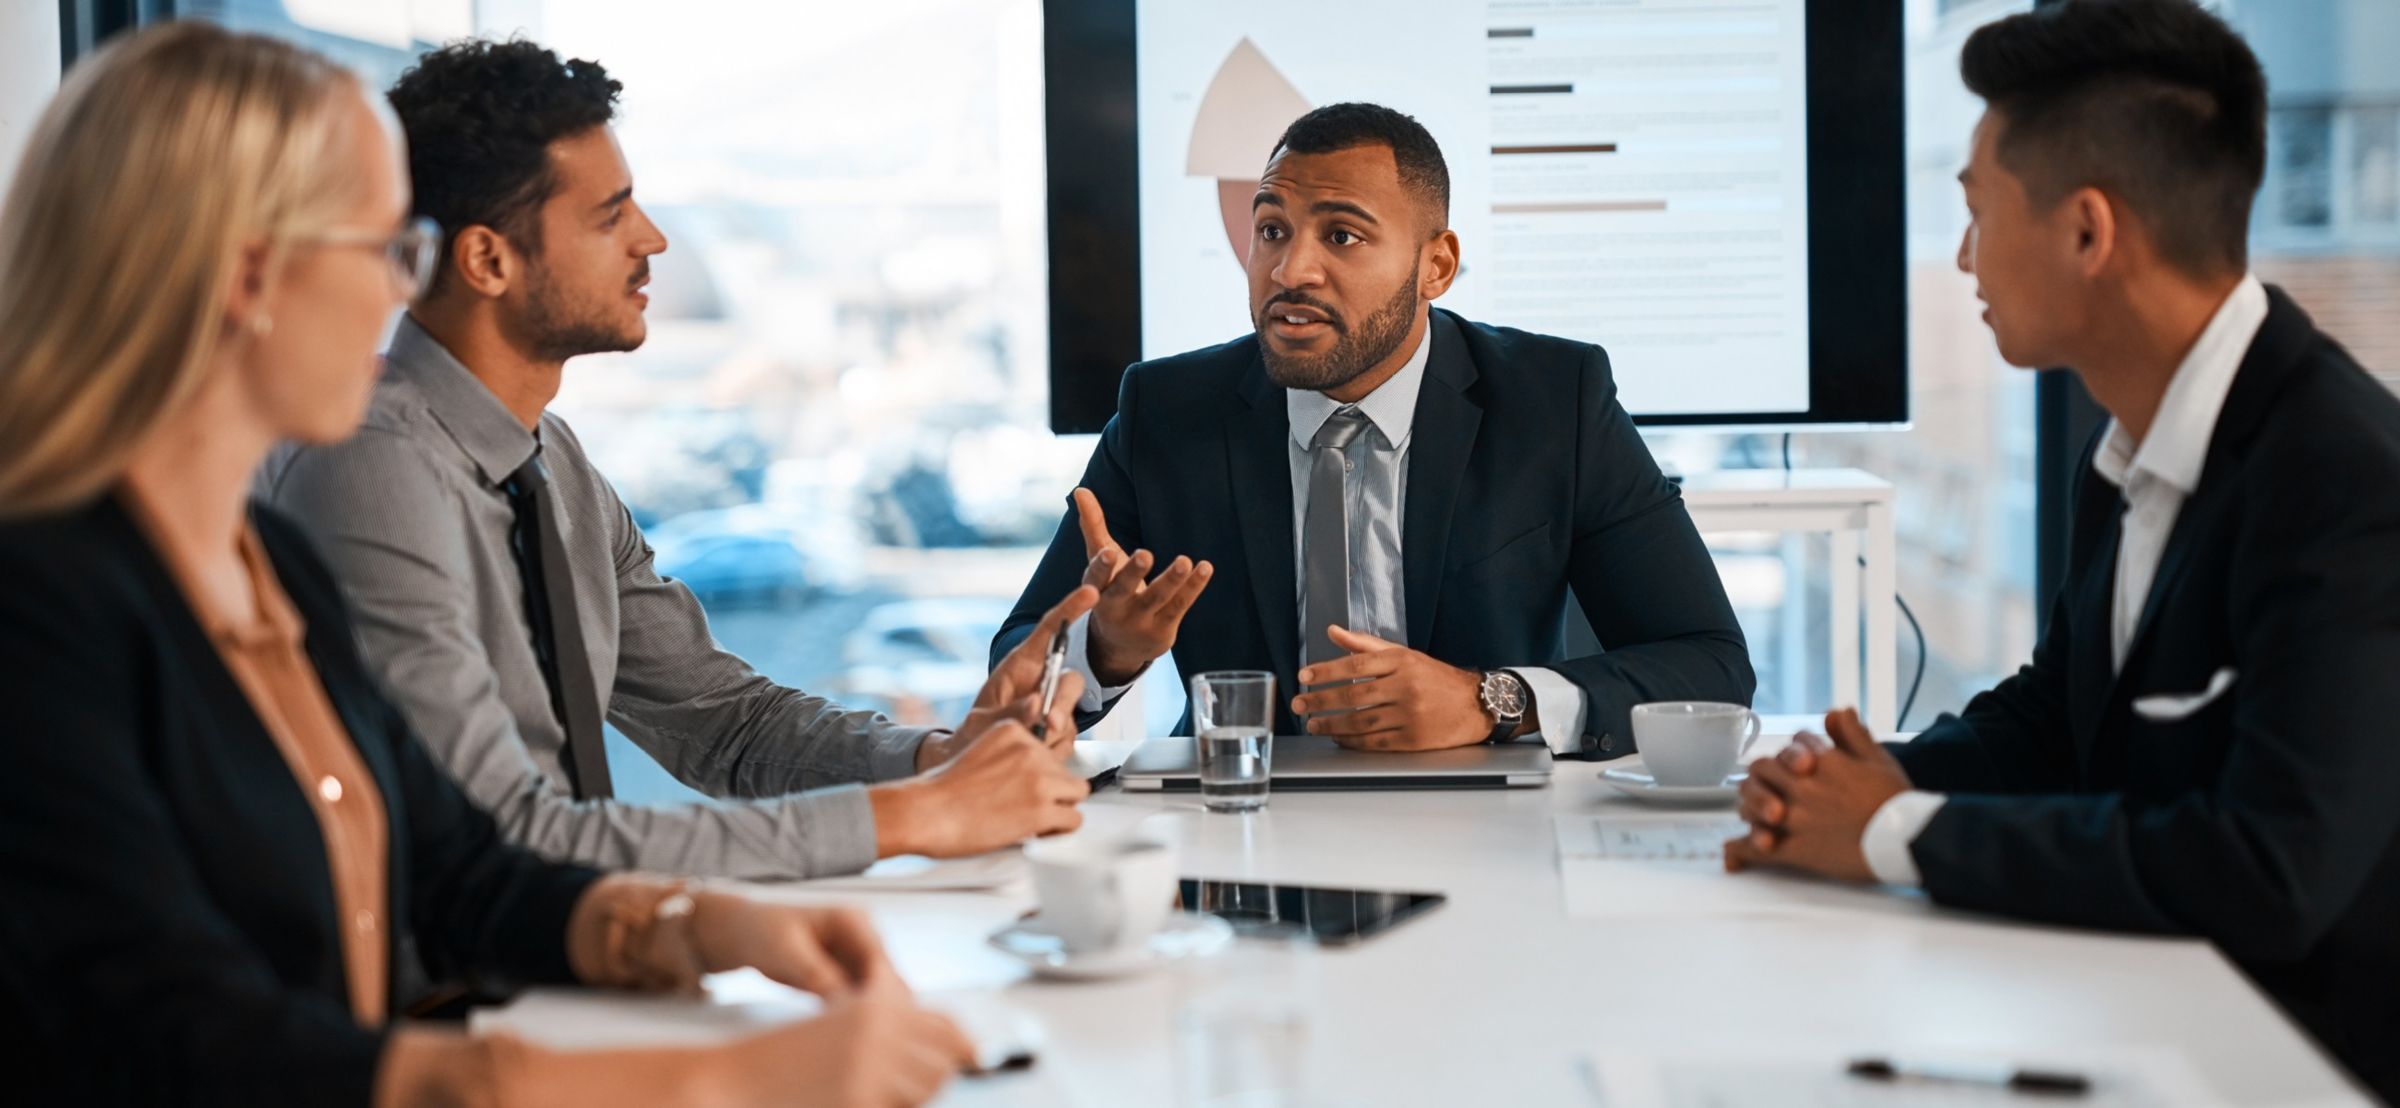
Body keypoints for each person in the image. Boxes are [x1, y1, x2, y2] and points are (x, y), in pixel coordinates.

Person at [0, 23, 987, 1104]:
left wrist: (694, 925)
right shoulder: (43, 602)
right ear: (251, 276)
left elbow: (459, 867)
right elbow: (175, 1030)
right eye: (383, 249)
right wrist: (708, 1077)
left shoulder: (262, 559)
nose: (398, 293)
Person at [1721, 2, 2400, 1098]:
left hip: (2289, 1063)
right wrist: (1863, 779)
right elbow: (2059, 717)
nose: (1962, 257)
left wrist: (1898, 830)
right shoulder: (2129, 436)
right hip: (2128, 1007)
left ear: (2089, 233)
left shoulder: (2347, 480)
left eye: (1978, 212)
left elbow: (2270, 869)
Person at [261, 39, 1094, 882]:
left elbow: (724, 722)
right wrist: (914, 816)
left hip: (567, 948)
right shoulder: (372, 468)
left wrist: (941, 761)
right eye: (610, 214)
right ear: (487, 260)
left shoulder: (551, 462)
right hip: (462, 986)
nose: (651, 240)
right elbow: (499, 833)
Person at [993, 103, 1753, 755]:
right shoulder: (1167, 412)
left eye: (1342, 236)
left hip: (1485, 824)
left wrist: (1490, 701)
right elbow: (1013, 669)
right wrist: (1104, 654)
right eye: (1271, 230)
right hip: (1240, 824)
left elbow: (1710, 665)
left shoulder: (1554, 401)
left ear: (1437, 266)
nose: (1291, 271)